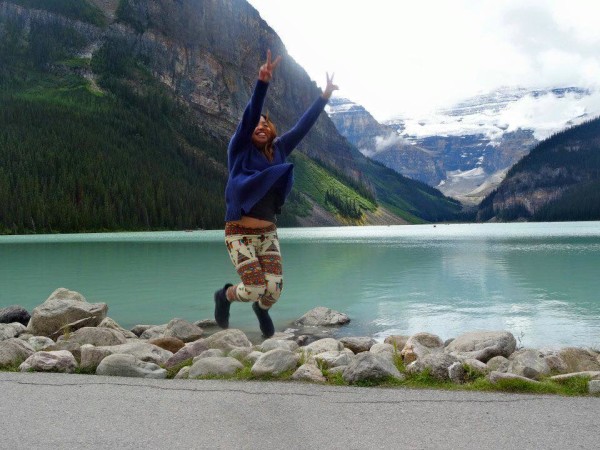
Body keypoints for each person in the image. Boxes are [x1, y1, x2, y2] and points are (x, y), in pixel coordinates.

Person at [214, 50, 338, 338]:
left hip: (268, 233)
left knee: (273, 290)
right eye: (255, 124)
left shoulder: (280, 149)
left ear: (271, 131)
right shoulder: (239, 151)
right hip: (239, 233)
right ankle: (226, 295)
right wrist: (262, 82)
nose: (259, 126)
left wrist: (324, 97)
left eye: (264, 124)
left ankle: (261, 310)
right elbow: (249, 116)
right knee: (255, 287)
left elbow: (302, 127)